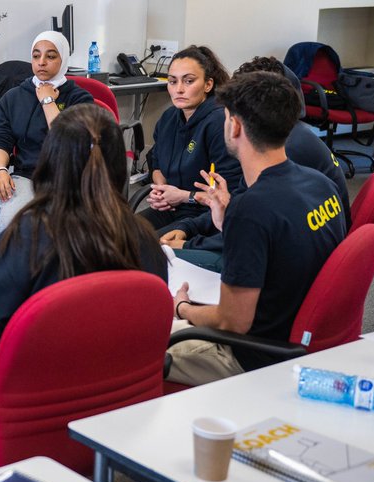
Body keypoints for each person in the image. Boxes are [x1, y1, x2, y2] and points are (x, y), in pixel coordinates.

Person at [0, 105, 167, 482]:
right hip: (114, 410)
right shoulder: (145, 238)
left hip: (24, 411)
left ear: (50, 161)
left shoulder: (31, 232)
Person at [168, 71, 347, 385]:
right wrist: (228, 224)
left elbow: (232, 321)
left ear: (235, 126)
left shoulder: (252, 208)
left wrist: (183, 307)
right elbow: (286, 243)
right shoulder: (319, 184)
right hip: (299, 338)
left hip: (251, 357)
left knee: (135, 345)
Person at [159, 56, 351, 271]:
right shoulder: (290, 153)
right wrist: (189, 227)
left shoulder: (281, 161)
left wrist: (187, 245)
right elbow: (242, 211)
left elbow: (247, 232)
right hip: (310, 256)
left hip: (281, 265)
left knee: (156, 257)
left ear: (236, 125)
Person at [0, 30, 94, 237]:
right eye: (36, 56)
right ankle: (10, 269)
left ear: (63, 60)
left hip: (69, 178)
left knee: (61, 228)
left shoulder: (80, 98)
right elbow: (0, 139)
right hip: (26, 176)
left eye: (51, 56)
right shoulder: (14, 96)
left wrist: (48, 101)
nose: (41, 62)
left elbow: (68, 140)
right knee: (11, 224)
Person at [142, 45, 240, 229]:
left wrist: (184, 196)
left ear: (208, 85)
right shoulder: (168, 118)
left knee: (144, 249)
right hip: (170, 208)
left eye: (188, 81)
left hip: (205, 215)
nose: (179, 89)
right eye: (172, 81)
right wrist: (161, 190)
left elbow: (230, 194)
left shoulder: (219, 122)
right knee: (115, 237)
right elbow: (155, 162)